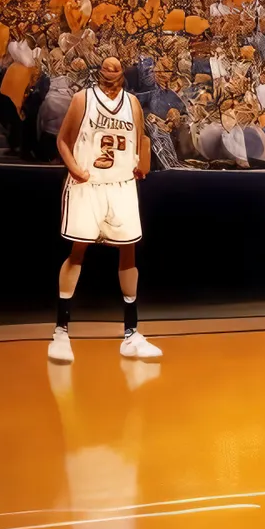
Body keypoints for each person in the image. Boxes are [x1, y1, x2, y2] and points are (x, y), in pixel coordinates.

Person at [47, 55, 163, 364]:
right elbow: (63, 141)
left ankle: (131, 333)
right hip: (89, 183)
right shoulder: (82, 99)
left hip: (121, 185)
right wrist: (74, 169)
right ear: (99, 72)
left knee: (129, 251)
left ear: (123, 73)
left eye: (116, 67)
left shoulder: (133, 105)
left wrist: (141, 166)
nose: (111, 71)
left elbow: (141, 142)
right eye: (106, 67)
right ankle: (60, 331)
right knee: (78, 251)